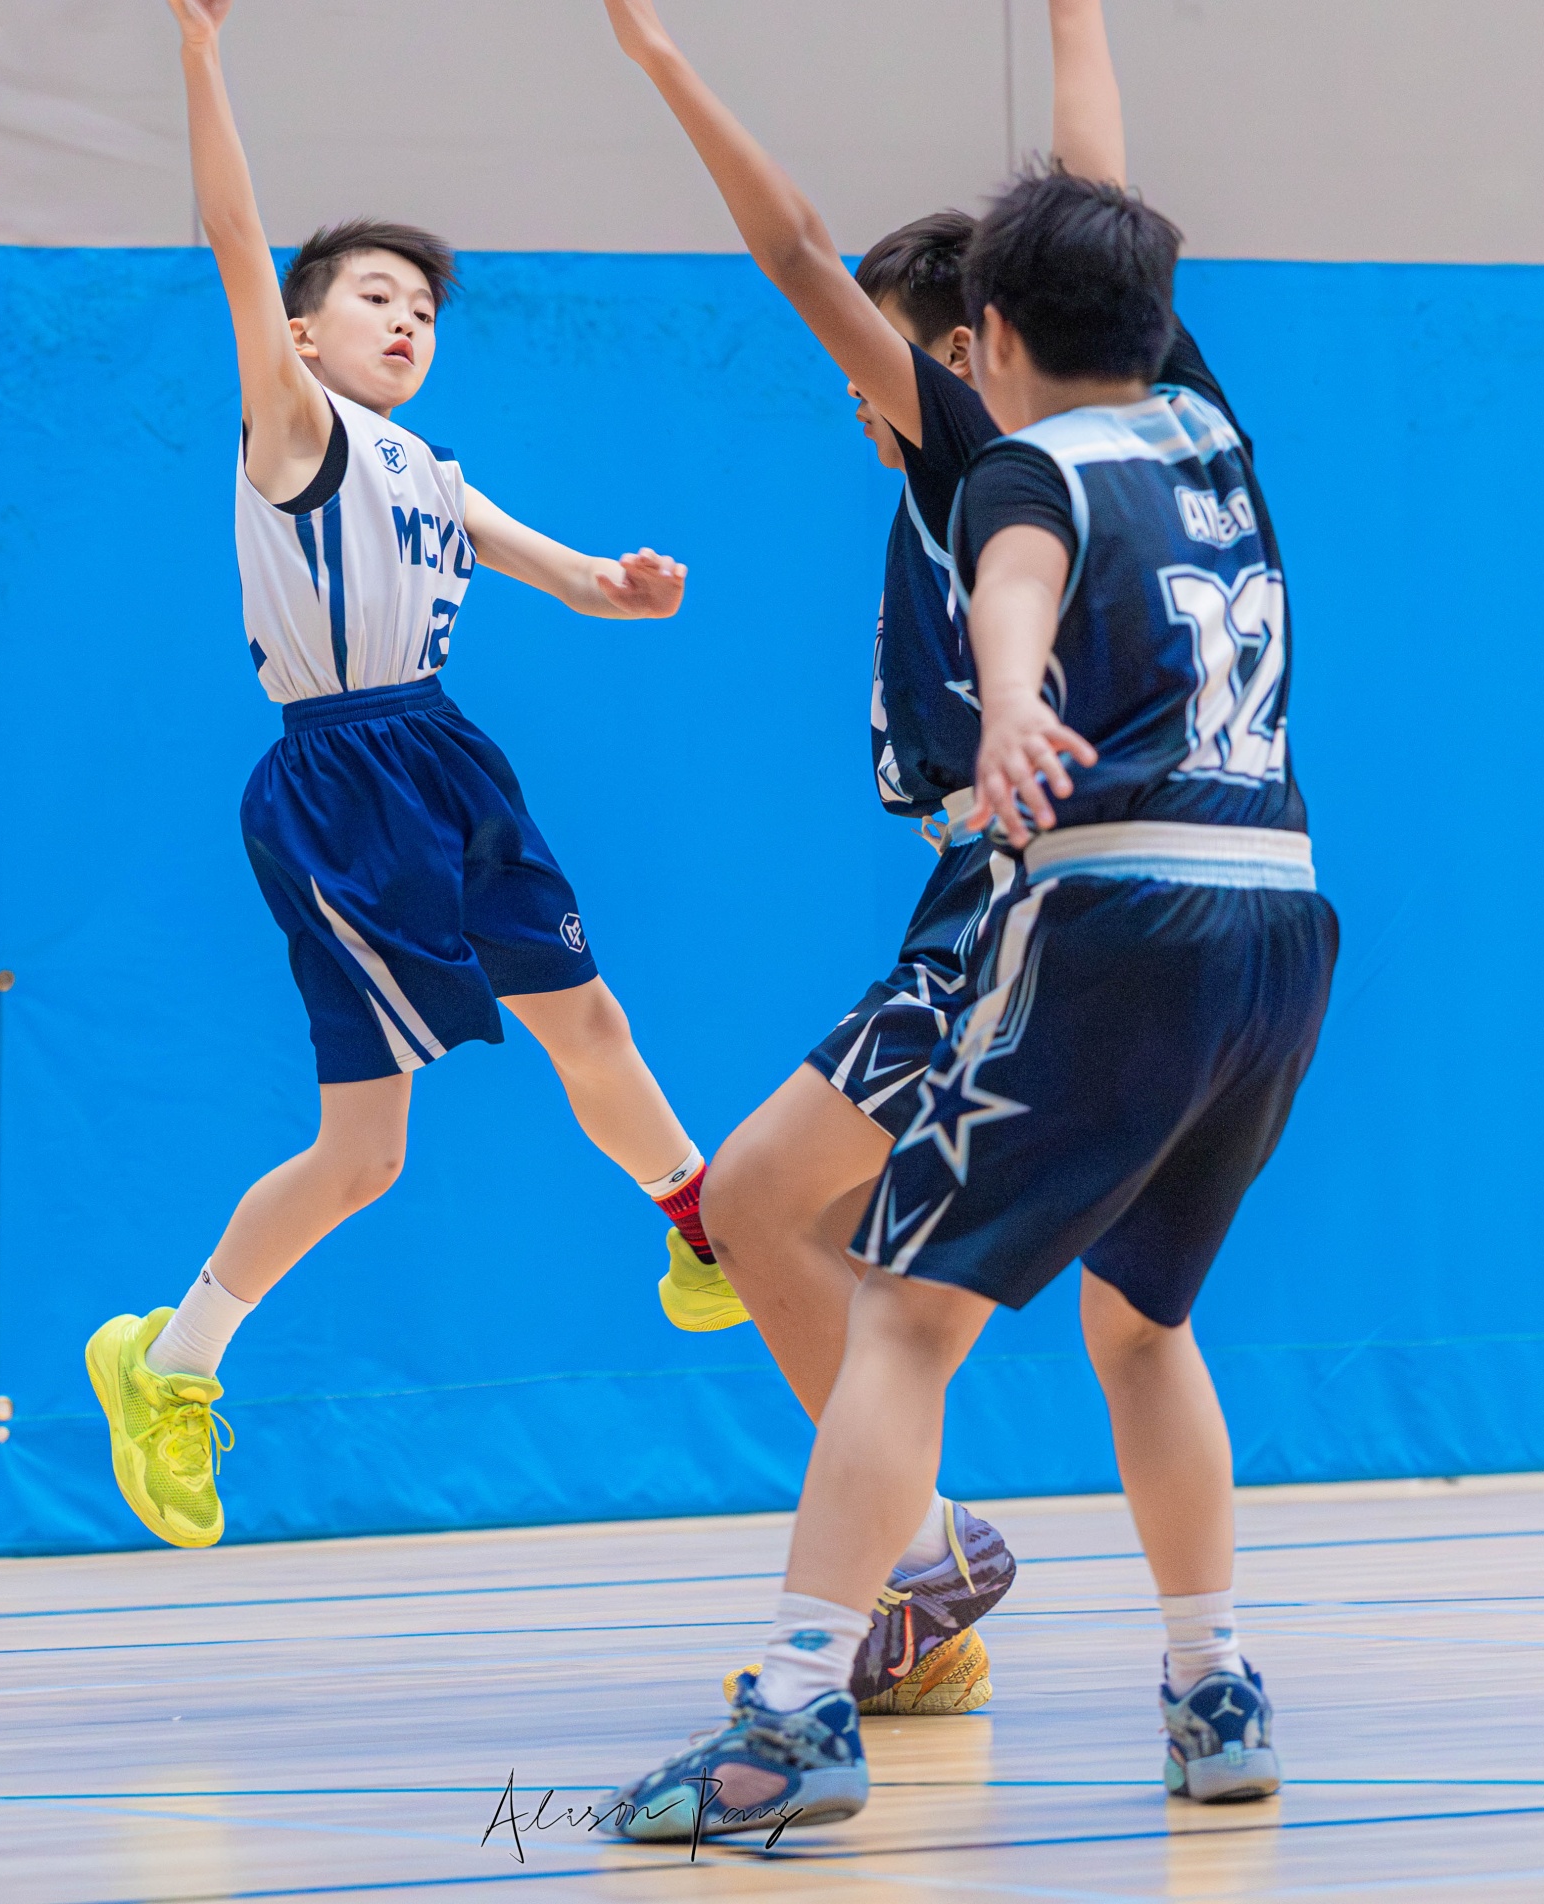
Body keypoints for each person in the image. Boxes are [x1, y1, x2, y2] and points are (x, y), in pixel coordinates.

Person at [600, 161, 1339, 1835]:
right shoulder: (1206, 437)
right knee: (1142, 1326)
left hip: (1101, 901)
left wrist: (1008, 701)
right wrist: (1072, 17)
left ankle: (797, 1714)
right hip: (1279, 918)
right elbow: (1101, 165)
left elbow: (1009, 578)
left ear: (982, 337)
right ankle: (1213, 1682)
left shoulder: (1013, 462)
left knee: (903, 1317)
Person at [85, 0, 746, 1555]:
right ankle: (171, 1364)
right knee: (371, 1146)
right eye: (374, 296)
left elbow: (575, 580)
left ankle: (699, 1228)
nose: (405, 318)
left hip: (446, 761)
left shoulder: (428, 469)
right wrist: (198, 49)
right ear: (301, 334)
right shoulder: (291, 428)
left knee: (577, 1025)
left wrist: (628, 586)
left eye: (424, 306)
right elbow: (234, 239)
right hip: (339, 789)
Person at [585, 0, 1125, 1720]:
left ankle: (911, 1569)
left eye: (886, 352)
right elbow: (1099, 209)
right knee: (786, 1226)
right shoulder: (1103, 438)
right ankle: (925, 1577)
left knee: (766, 1214)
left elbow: (796, 248)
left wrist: (660, 56)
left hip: (1015, 902)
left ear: (965, 350)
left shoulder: (981, 451)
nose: (855, 374)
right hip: (1026, 898)